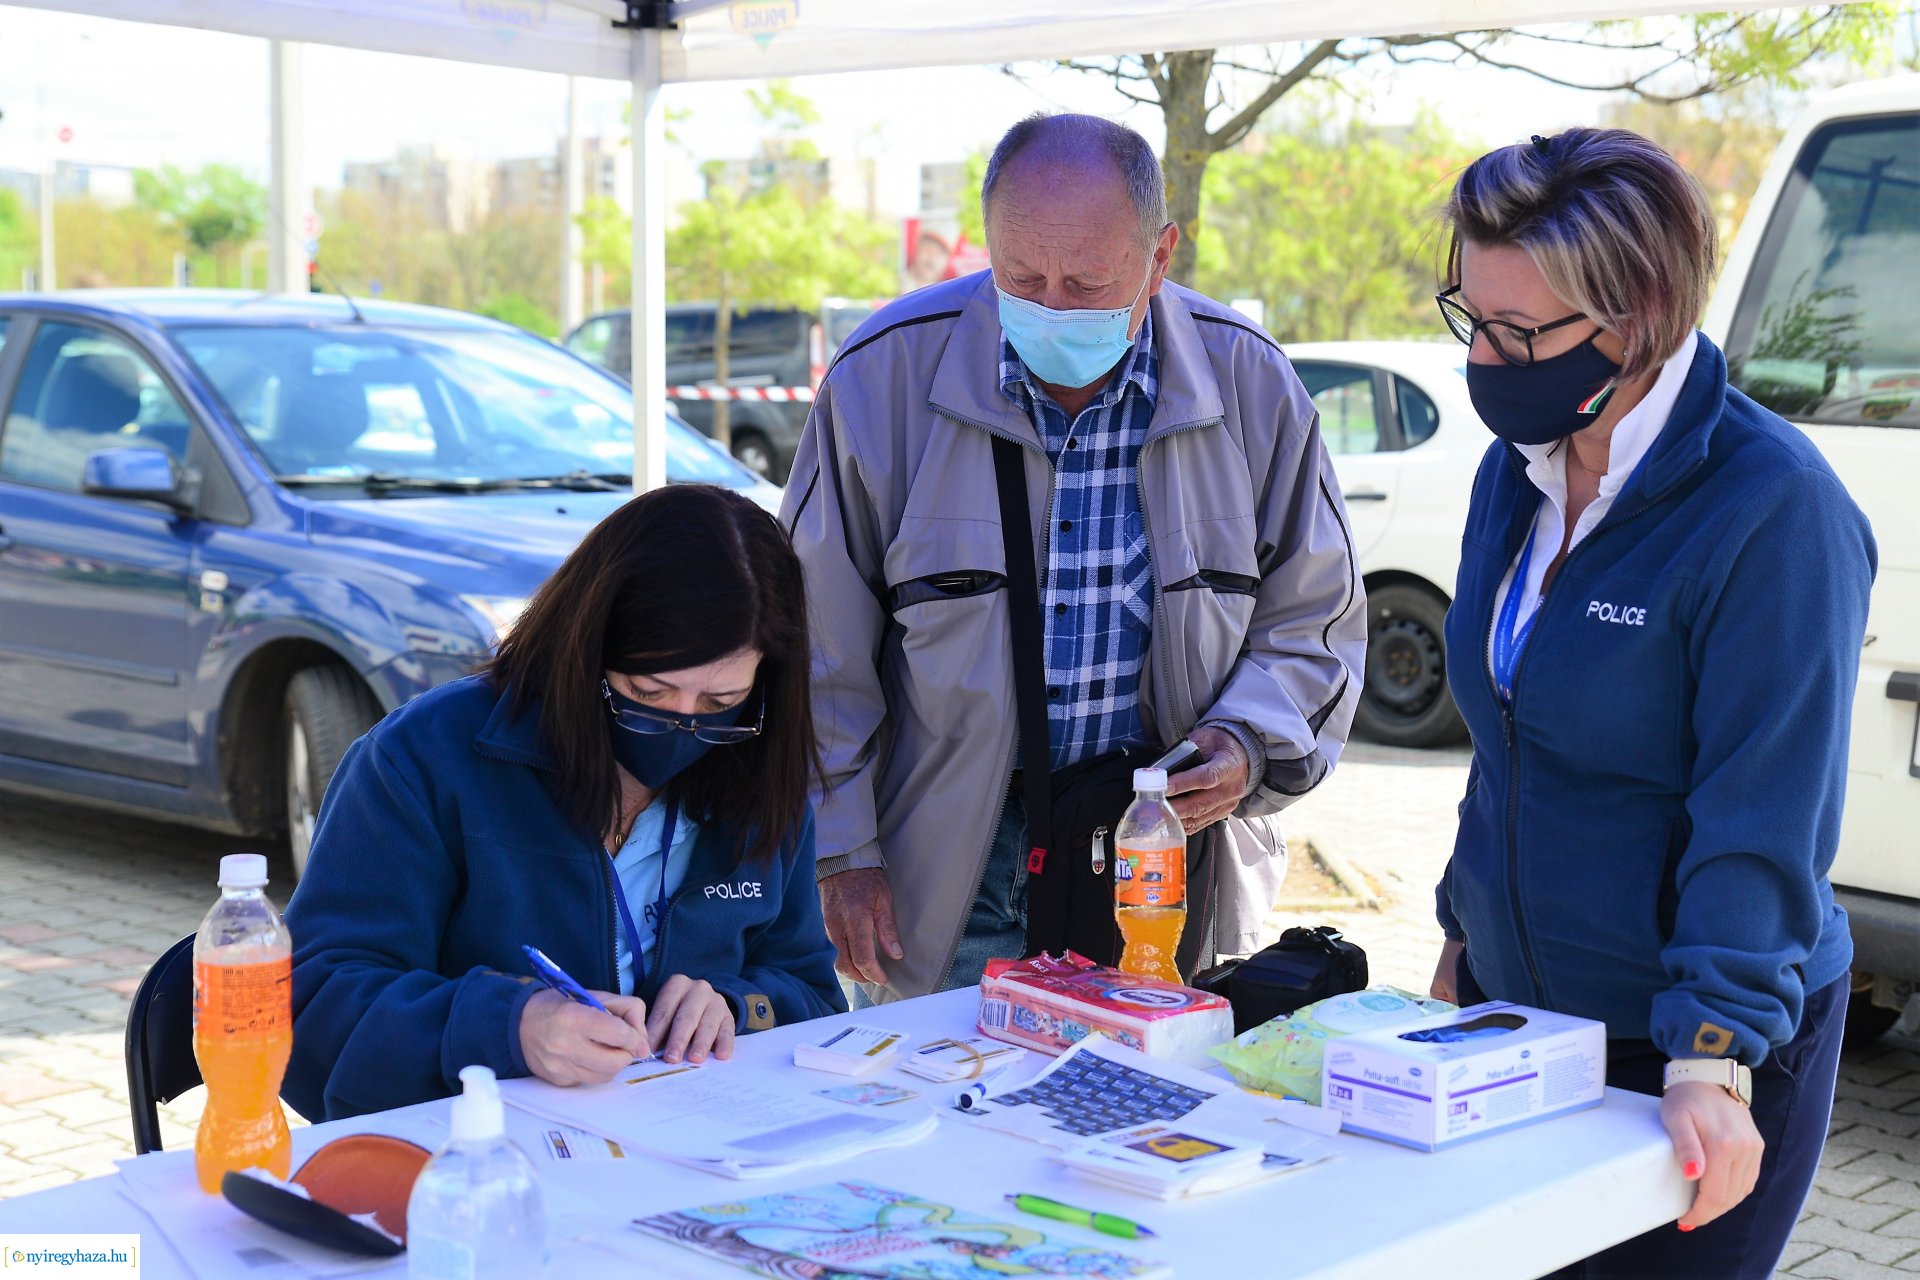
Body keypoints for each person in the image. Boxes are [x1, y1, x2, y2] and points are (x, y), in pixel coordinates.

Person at [784, 112, 1366, 1003]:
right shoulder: (882, 377)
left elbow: (1315, 617)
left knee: (1155, 1117)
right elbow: (813, 646)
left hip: (1165, 855)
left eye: (1087, 281)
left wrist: (1246, 740)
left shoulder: (1250, 382)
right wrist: (842, 850)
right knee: (952, 1122)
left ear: (1161, 254)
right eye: (1021, 275)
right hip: (946, 866)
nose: (1051, 306)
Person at [1428, 129, 1876, 1278]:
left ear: (1633, 319)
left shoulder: (1774, 512)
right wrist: (1461, 932)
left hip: (1695, 1047)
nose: (1484, 355)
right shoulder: (1516, 470)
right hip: (1518, 1019)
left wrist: (1711, 1052)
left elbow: (1763, 819)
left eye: (1517, 332)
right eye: (1469, 315)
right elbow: (1509, 736)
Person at [283, 484, 845, 1122]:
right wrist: (510, 1028)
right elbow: (309, 1004)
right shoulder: (428, 757)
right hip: (467, 1158)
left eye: (720, 705)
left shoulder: (756, 763)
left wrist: (738, 1008)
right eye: (648, 692)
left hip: (686, 1144)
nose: (683, 728)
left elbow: (813, 996)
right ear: (584, 650)